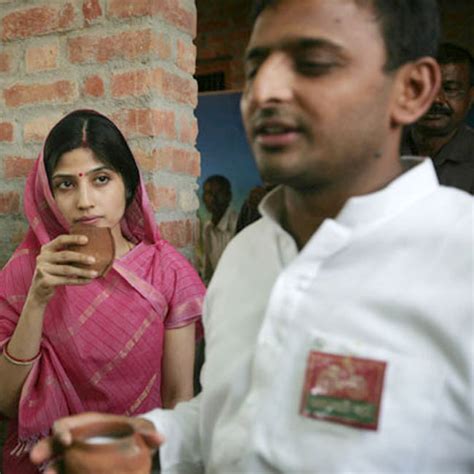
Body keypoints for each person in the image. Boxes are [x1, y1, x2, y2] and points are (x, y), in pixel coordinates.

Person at [32, 1, 473, 473]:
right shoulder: (246, 255)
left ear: (412, 88)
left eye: (314, 64)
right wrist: (155, 445)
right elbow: (232, 416)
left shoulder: (460, 258)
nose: (265, 91)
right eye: (256, 66)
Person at [0, 110, 205, 473]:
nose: (85, 200)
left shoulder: (167, 272)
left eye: (101, 179)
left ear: (128, 185)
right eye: (66, 184)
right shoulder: (26, 272)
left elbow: (178, 399)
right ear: (47, 193)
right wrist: (38, 299)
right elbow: (4, 402)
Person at [402, 42, 474, 193]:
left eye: (450, 89)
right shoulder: (380, 151)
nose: (436, 99)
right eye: (425, 87)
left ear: (471, 96)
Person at [201, 175, 238, 283]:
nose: (213, 198)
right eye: (208, 193)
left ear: (229, 196)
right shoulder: (208, 229)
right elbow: (208, 272)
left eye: (219, 193)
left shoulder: (238, 224)